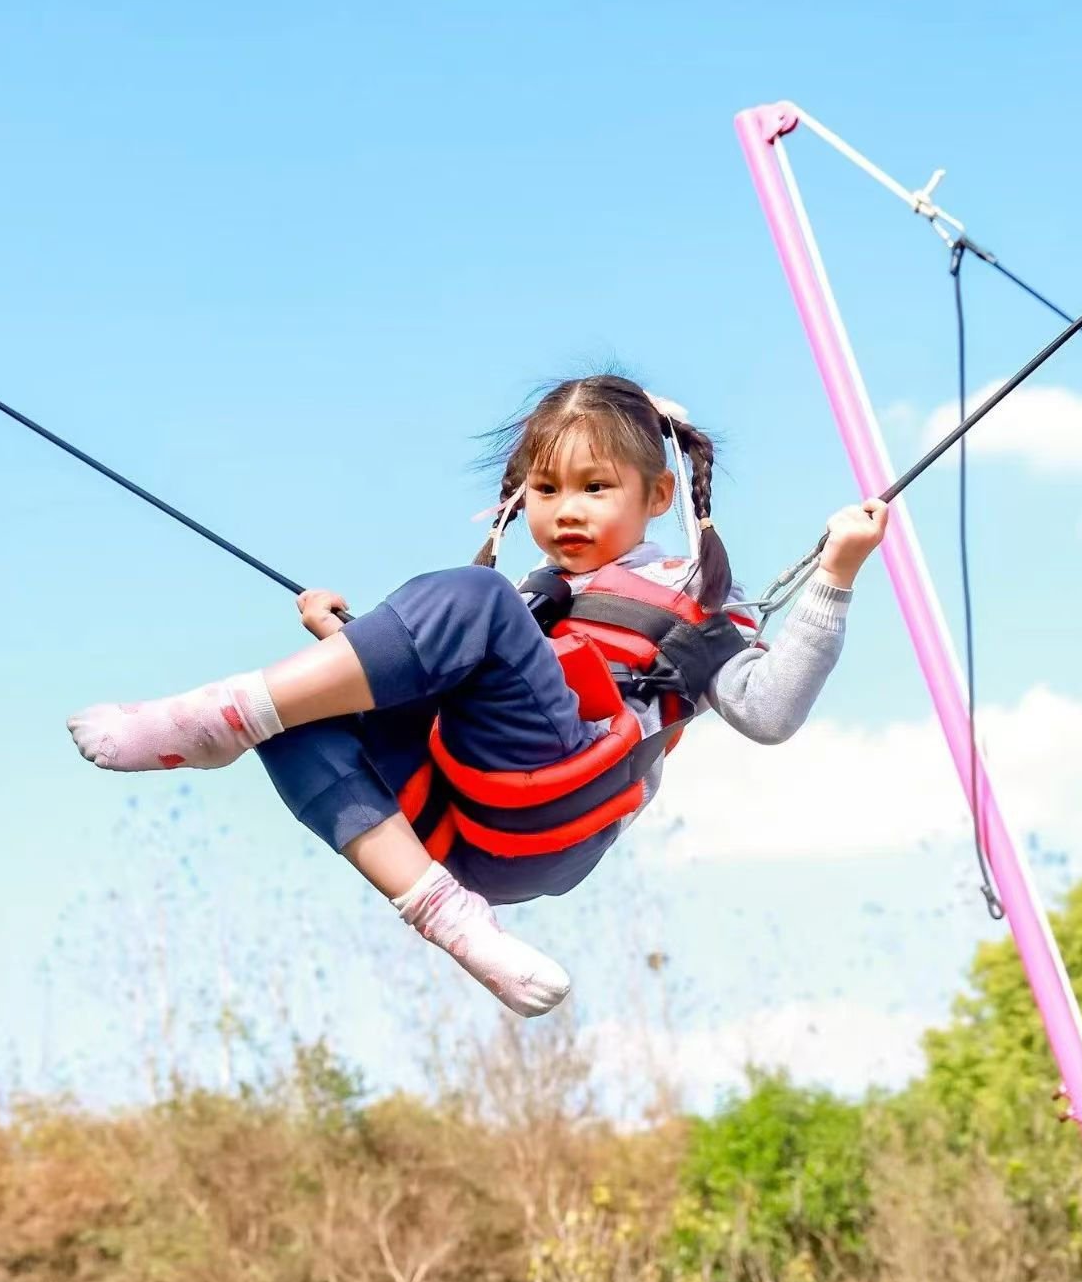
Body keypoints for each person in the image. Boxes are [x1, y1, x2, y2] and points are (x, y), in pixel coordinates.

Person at [68, 376, 887, 1017]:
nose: (566, 511)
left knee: (470, 596)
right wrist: (345, 638)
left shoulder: (691, 601)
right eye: (545, 490)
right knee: (299, 722)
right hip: (465, 844)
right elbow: (443, 668)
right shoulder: (524, 603)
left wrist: (836, 576)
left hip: (564, 799)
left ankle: (220, 719)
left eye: (595, 488)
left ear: (657, 497)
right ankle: (450, 923)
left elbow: (771, 713)